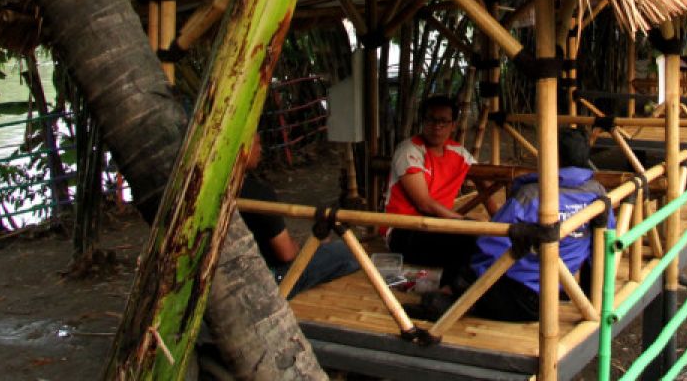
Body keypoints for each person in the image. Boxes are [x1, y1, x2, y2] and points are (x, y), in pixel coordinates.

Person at [450, 128, 613, 322]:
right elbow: (604, 243)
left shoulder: (531, 195)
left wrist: (468, 281)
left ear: (554, 157)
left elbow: (489, 243)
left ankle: (451, 298)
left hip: (518, 299)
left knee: (466, 240)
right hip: (557, 293)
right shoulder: (597, 193)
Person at [238, 133, 359, 295]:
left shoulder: (215, 192)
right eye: (257, 144)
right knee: (348, 251)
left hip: (238, 273)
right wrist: (307, 247)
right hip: (271, 279)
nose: (260, 150)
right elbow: (286, 254)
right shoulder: (259, 193)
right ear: (242, 151)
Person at [383, 95, 480, 278]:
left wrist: (499, 218)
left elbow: (486, 181)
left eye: (443, 121)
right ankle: (451, 291)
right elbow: (424, 203)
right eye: (431, 120)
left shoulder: (458, 151)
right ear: (423, 121)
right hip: (404, 231)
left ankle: (453, 289)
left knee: (480, 242)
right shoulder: (409, 150)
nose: (437, 126)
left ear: (453, 125)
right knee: (472, 241)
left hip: (437, 227)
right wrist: (464, 223)